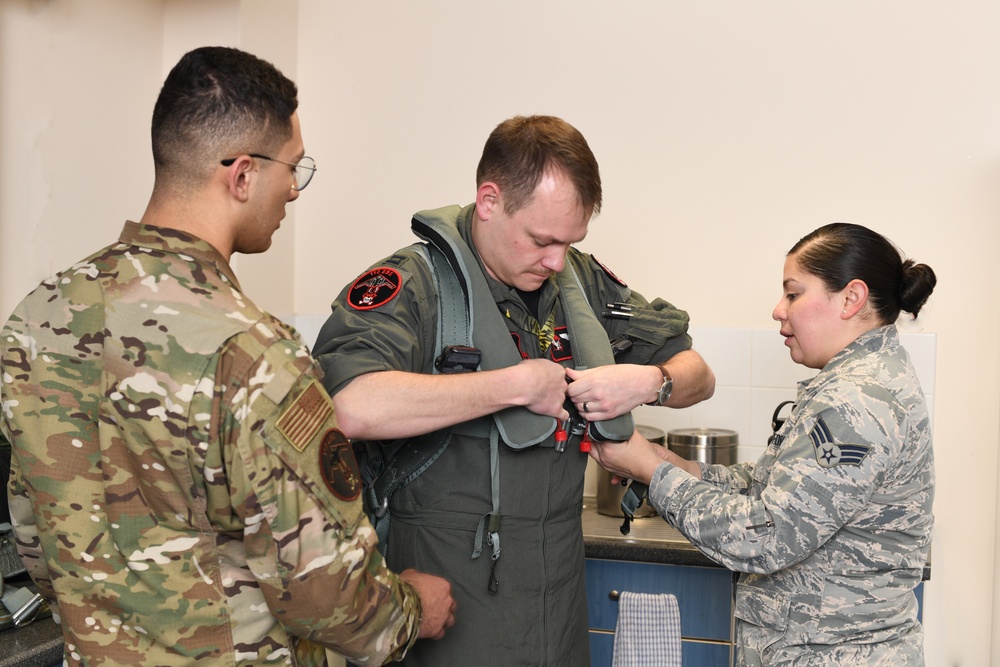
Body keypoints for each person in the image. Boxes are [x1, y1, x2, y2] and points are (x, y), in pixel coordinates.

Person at [0, 46, 455, 666]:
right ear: (242, 175)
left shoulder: (37, 318)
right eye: (293, 168)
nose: (294, 190)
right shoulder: (253, 354)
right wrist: (411, 611)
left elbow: (34, 535)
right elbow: (324, 592)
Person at [312, 115, 716, 666]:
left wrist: (649, 381)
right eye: (542, 240)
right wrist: (511, 386)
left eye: (570, 242)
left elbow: (699, 373)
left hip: (558, 599)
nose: (555, 261)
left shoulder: (579, 281)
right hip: (448, 597)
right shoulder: (414, 285)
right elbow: (349, 406)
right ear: (489, 201)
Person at [590, 222, 936, 666]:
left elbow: (764, 535)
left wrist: (653, 474)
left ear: (851, 298)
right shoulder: (861, 379)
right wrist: (683, 468)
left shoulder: (857, 401)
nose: (777, 309)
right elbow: (781, 490)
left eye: (793, 293)